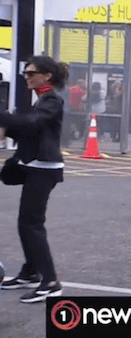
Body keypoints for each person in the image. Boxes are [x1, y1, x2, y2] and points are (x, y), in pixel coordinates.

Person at [0, 56, 68, 303]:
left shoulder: (52, 101)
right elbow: (30, 130)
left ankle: (51, 282)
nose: (27, 77)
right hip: (35, 166)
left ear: (46, 76)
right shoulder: (42, 100)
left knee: (31, 224)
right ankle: (30, 272)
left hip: (44, 169)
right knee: (26, 222)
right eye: (25, 73)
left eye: (31, 73)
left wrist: (5, 118)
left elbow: (34, 123)